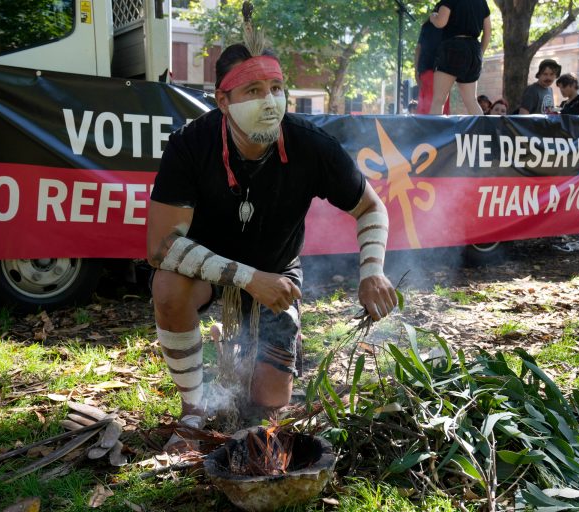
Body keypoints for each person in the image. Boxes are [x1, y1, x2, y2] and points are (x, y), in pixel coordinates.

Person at [146, 41, 397, 451]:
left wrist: (372, 271)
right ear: (222, 100)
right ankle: (192, 407)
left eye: (276, 88)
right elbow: (160, 247)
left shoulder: (311, 145)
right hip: (206, 273)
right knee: (167, 287)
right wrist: (247, 278)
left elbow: (371, 208)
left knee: (267, 403)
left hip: (277, 273)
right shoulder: (190, 144)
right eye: (253, 91)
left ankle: (264, 351)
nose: (270, 101)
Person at [428, 0, 491, 115]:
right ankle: (482, 131)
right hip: (474, 50)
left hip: (453, 48)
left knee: (438, 100)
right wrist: (479, 54)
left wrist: (433, 16)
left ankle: (435, 132)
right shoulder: (482, 2)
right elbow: (487, 33)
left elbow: (441, 22)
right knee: (471, 101)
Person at [414, 6, 450, 115]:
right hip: (439, 71)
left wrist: (416, 71)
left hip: (428, 71)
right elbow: (419, 49)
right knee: (436, 107)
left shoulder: (426, 26)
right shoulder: (448, 25)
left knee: (429, 107)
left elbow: (418, 49)